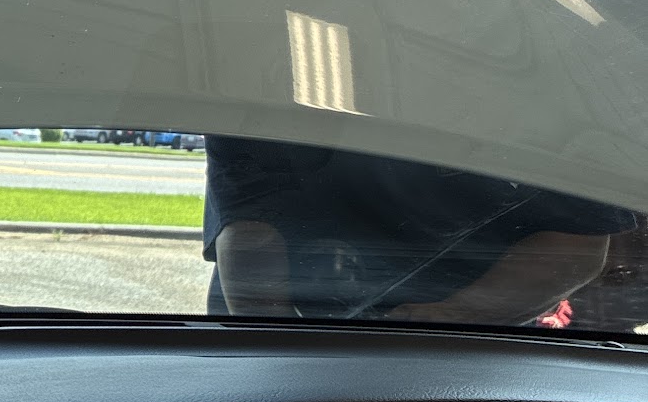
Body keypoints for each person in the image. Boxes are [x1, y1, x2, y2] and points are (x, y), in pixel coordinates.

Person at [203, 135, 636, 325]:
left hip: (480, 317)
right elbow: (252, 228)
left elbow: (578, 241)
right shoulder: (266, 57)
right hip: (278, 304)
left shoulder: (550, 67)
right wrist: (275, 341)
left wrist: (453, 318)